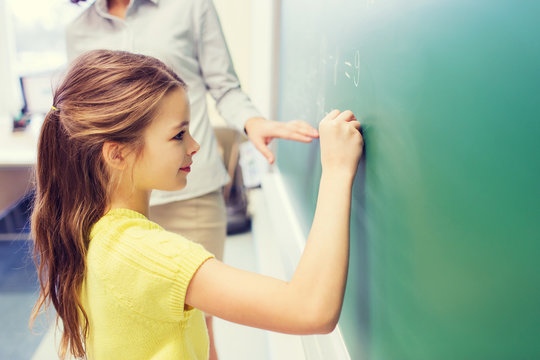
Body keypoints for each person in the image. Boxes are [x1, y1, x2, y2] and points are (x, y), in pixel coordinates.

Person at [29, 50, 363, 359]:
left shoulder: (94, 230)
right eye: (178, 135)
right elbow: (309, 309)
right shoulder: (147, 253)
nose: (195, 144)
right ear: (117, 153)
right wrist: (335, 170)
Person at [65, 2, 319, 356]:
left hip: (190, 195)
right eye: (179, 134)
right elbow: (78, 116)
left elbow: (224, 86)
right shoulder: (77, 30)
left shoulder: (190, 6)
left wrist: (253, 122)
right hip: (113, 197)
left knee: (198, 320)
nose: (195, 144)